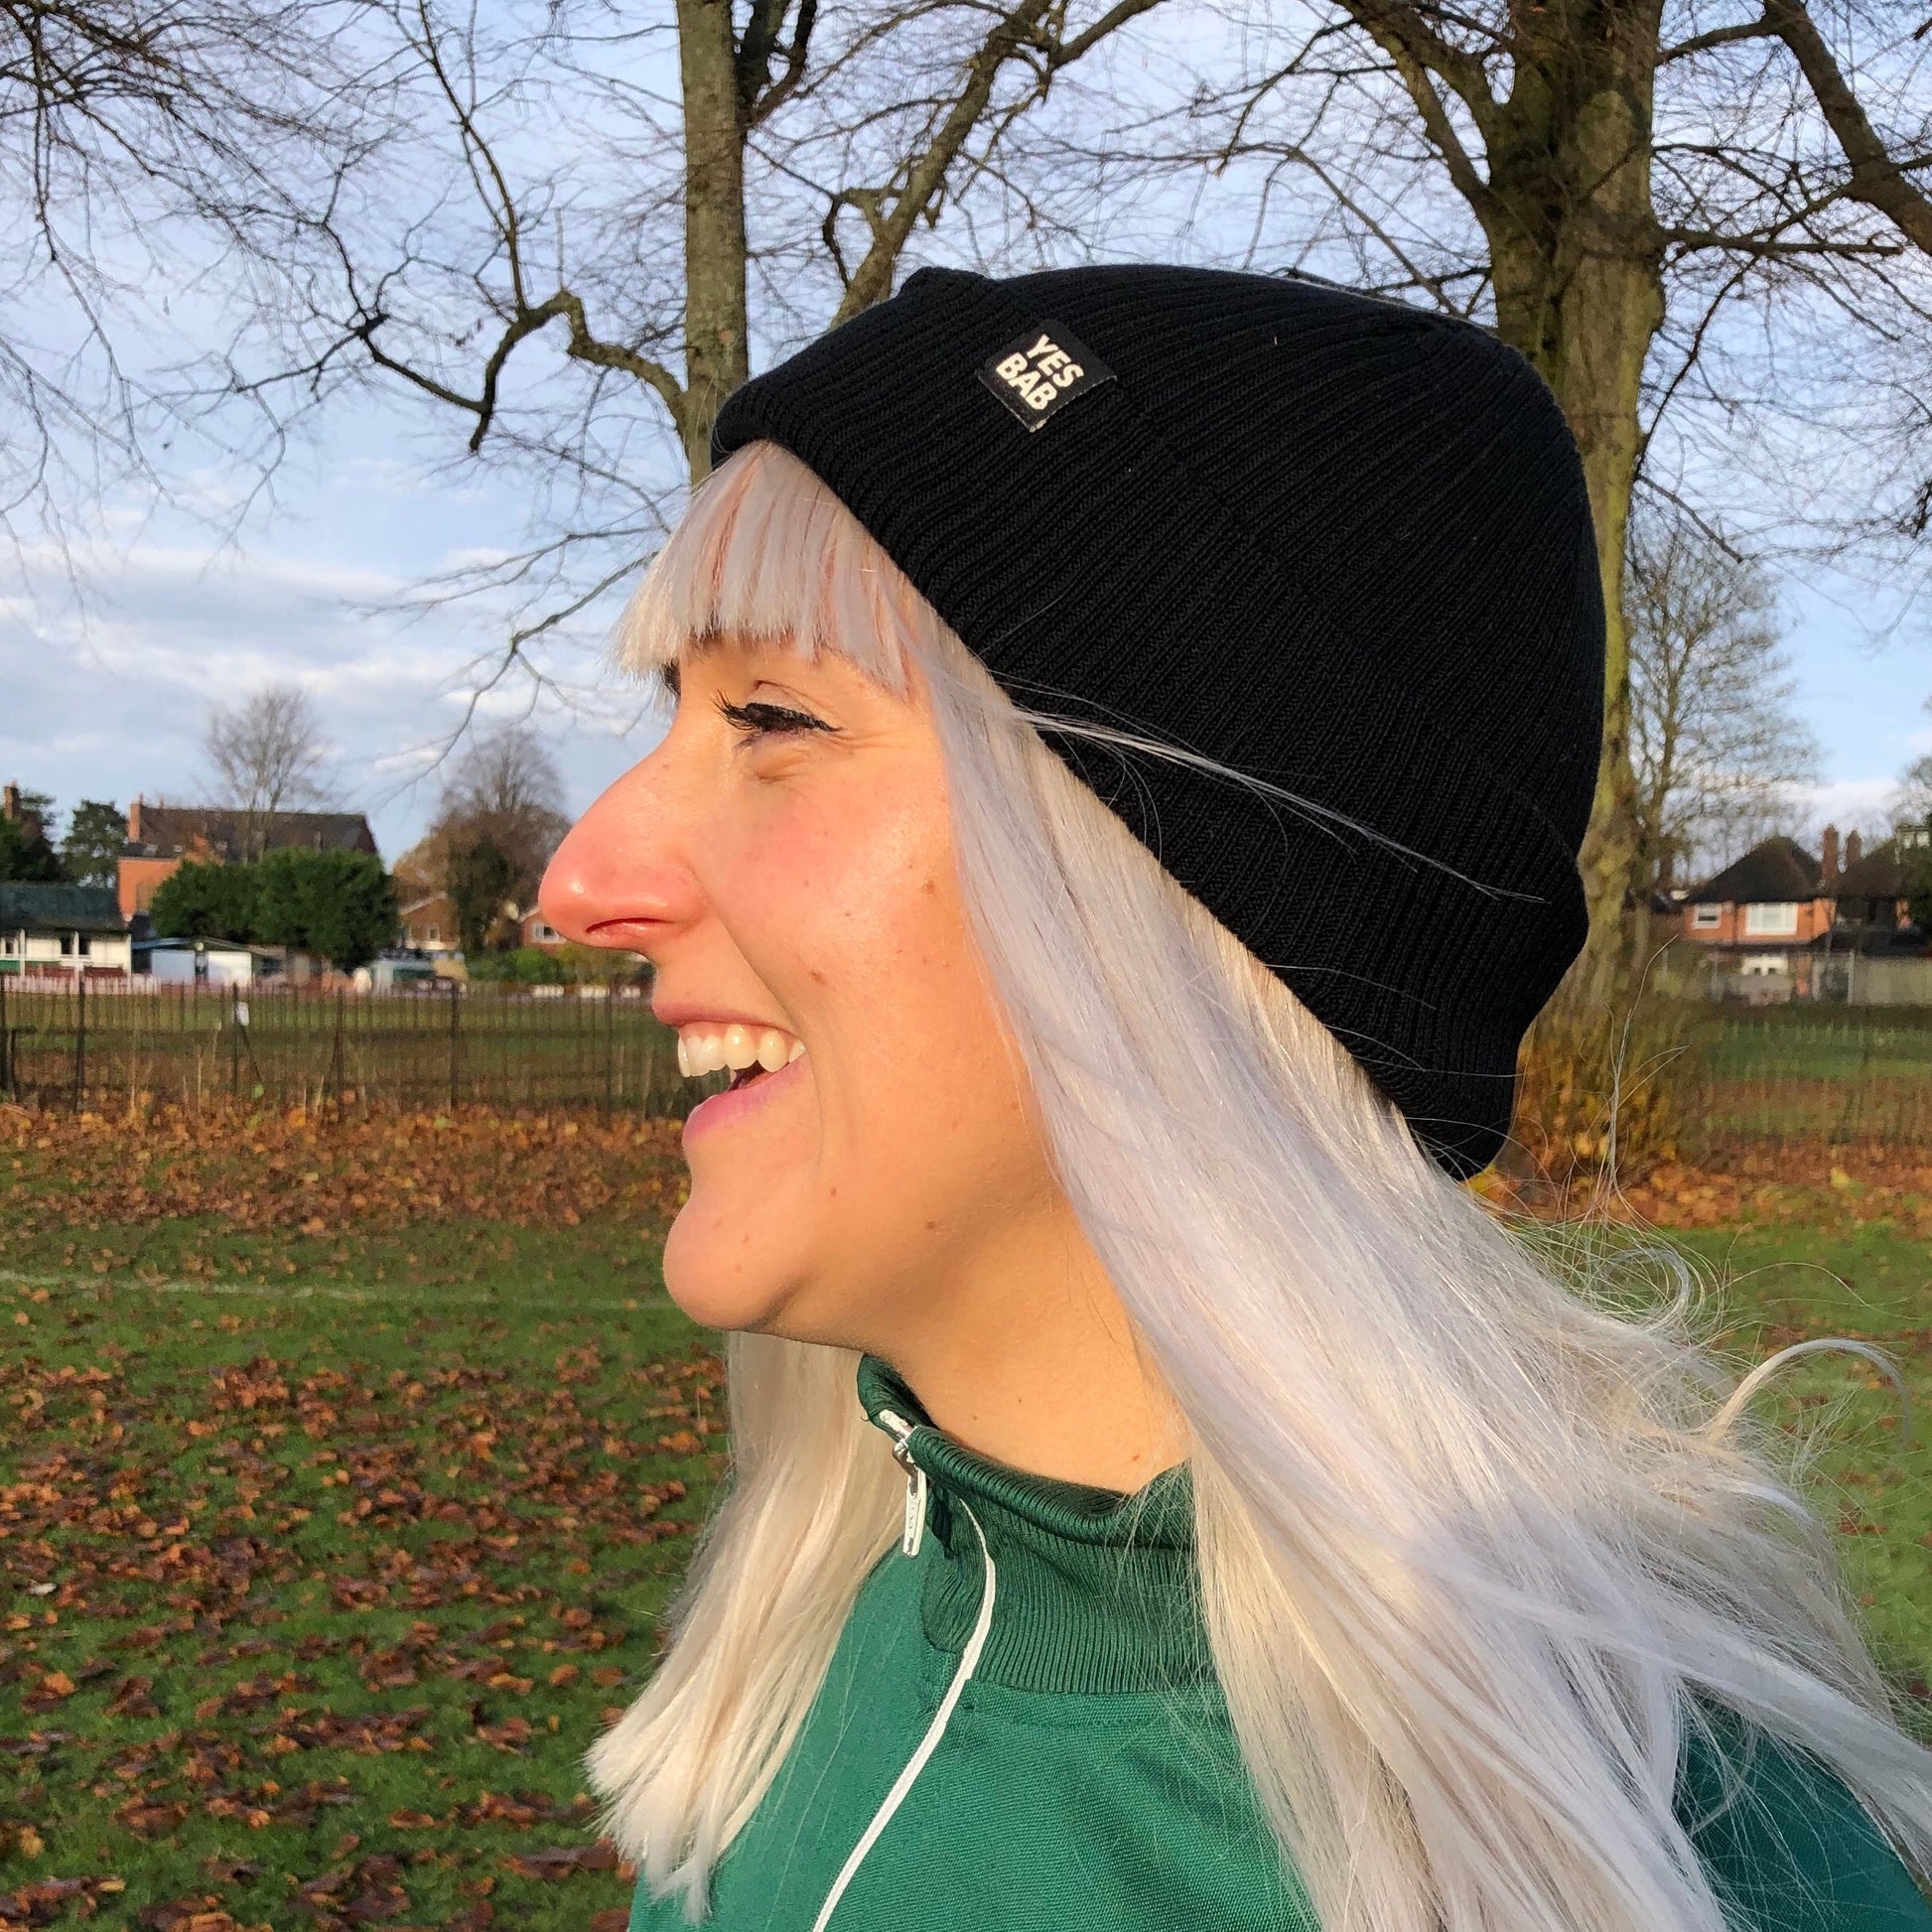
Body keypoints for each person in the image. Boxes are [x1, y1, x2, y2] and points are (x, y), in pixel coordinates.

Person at [537, 265, 1932, 1932]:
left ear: (1180, 906)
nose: (580, 878)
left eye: (772, 716)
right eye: (677, 715)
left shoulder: (1663, 1876)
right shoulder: (812, 1655)